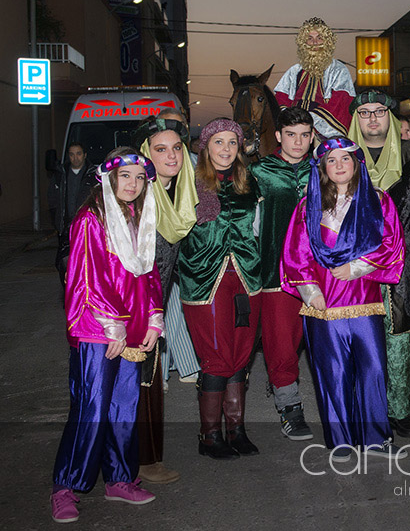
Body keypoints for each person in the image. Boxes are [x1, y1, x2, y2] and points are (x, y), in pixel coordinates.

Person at [51, 148, 163, 523]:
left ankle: (119, 479)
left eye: (139, 178)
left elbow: (148, 274)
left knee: (124, 409)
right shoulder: (91, 218)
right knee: (92, 409)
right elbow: (86, 275)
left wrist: (154, 319)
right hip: (98, 328)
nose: (132, 184)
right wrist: (110, 322)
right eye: (125, 176)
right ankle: (66, 487)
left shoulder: (138, 217)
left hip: (131, 328)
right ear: (110, 178)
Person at [281, 137, 407, 461]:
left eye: (345, 159)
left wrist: (358, 266)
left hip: (364, 302)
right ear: (322, 167)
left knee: (374, 369)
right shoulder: (307, 207)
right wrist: (310, 291)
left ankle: (377, 439)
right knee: (332, 374)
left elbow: (392, 244)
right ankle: (340, 441)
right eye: (332, 160)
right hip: (323, 306)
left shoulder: (378, 201)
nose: (339, 165)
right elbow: (297, 254)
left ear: (357, 164)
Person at [179, 118, 262, 460]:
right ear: (205, 146)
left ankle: (236, 429)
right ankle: (209, 434)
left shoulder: (250, 181)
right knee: (216, 353)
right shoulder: (189, 183)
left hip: (245, 277)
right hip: (205, 279)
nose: (226, 149)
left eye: (232, 142)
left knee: (241, 351)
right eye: (219, 142)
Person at [347, 89, 410, 438]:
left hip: (403, 263)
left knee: (399, 342)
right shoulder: (341, 156)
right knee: (359, 342)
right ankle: (364, 410)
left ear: (389, 117)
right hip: (354, 268)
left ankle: (398, 411)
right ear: (356, 119)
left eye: (379, 111)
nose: (372, 118)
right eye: (364, 113)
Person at [131, 114, 199, 484]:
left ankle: (145, 458)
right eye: (161, 149)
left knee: (151, 379)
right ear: (146, 154)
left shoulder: (181, 190)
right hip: (129, 307)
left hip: (154, 302)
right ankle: (137, 461)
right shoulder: (136, 192)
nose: (172, 156)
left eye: (177, 148)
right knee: (135, 383)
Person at [248, 106, 315, 441]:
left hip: (320, 274)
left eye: (304, 135)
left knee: (323, 343)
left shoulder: (323, 169)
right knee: (282, 344)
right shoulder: (259, 171)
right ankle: (290, 408)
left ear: (312, 136)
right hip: (276, 273)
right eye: (291, 135)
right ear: (278, 136)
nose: (298, 142)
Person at [274, 17, 356, 138]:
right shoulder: (295, 70)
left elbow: (342, 101)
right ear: (303, 42)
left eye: (319, 38)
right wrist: (290, 118)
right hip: (294, 126)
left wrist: (310, 120)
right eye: (310, 39)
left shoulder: (339, 69)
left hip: (324, 132)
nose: (314, 43)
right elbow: (281, 96)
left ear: (327, 41)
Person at [49, 142, 94, 279]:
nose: (75, 158)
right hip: (66, 228)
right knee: (65, 263)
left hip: (87, 227)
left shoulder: (92, 176)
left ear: (85, 155)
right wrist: (58, 223)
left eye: (79, 154)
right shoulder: (60, 175)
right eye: (72, 154)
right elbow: (53, 200)